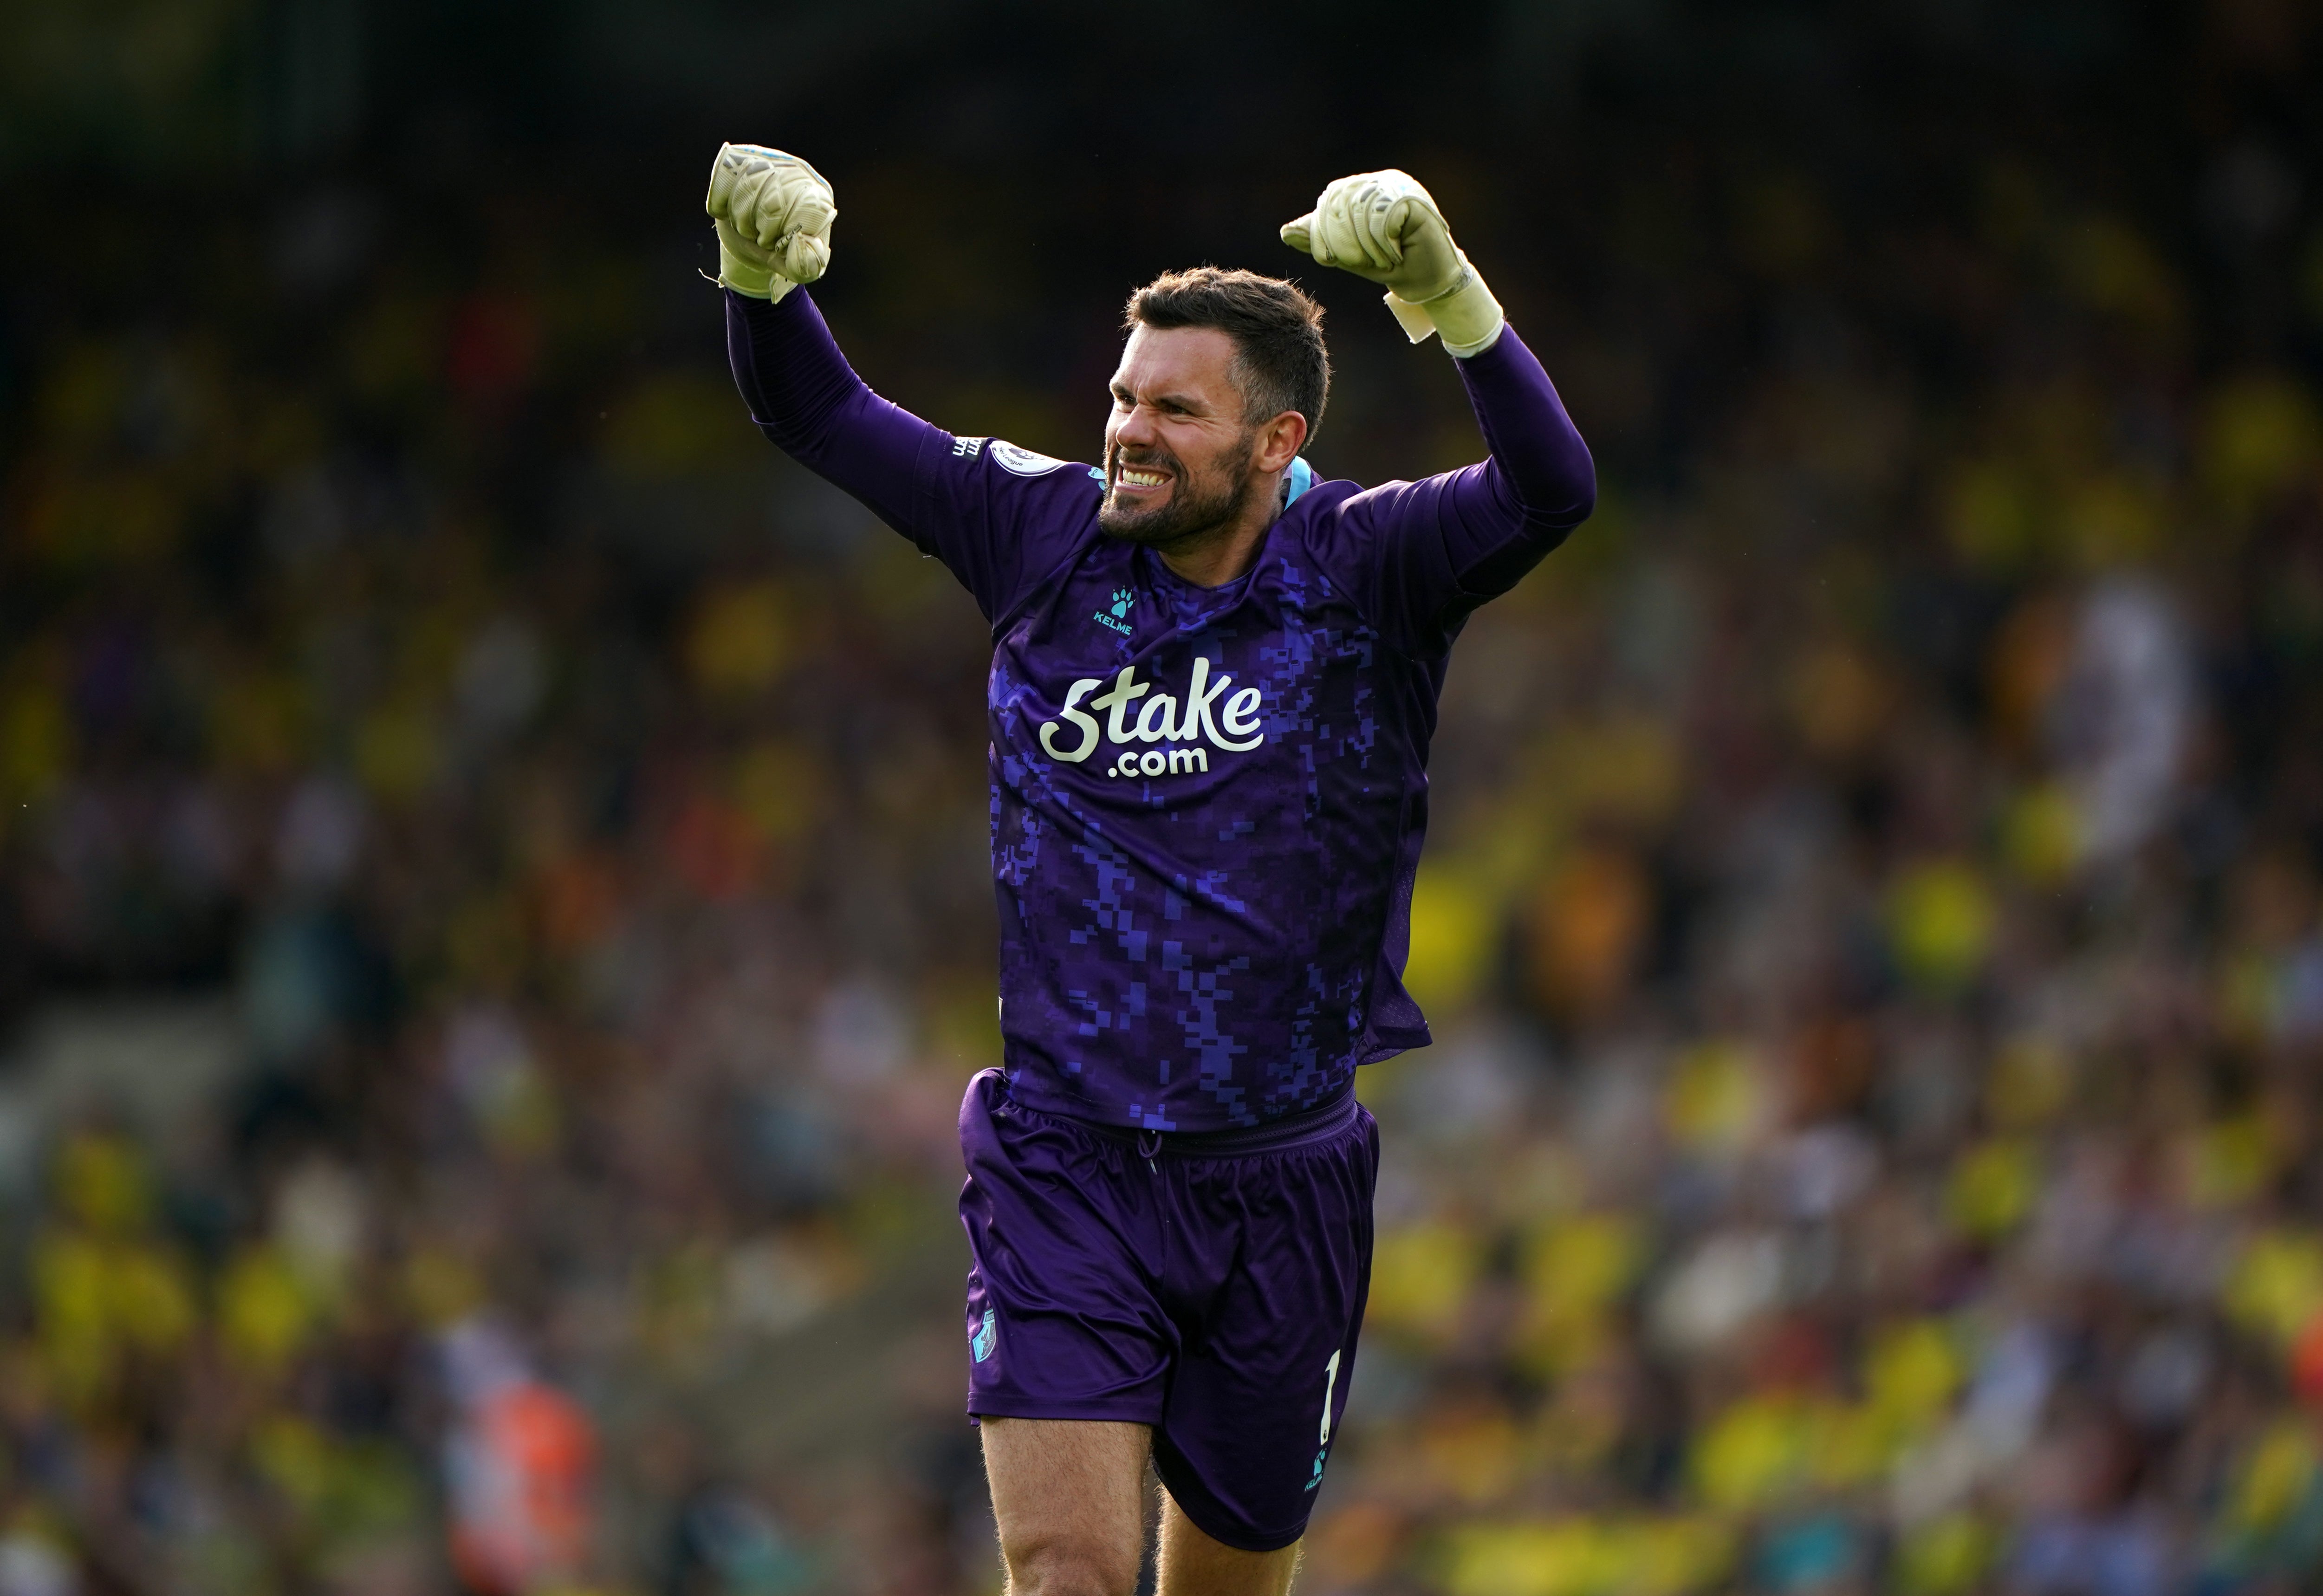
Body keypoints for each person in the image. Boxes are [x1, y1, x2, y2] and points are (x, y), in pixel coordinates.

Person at [708, 144, 1594, 1596]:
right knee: (1068, 1572)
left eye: (1173, 411)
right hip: (1066, 1165)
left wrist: (1445, 294)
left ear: (1273, 441)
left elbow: (1549, 487)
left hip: (1281, 1183)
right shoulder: (1041, 531)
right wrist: (758, 277)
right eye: (1122, 397)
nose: (1126, 431)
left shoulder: (1364, 565)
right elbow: (812, 404)